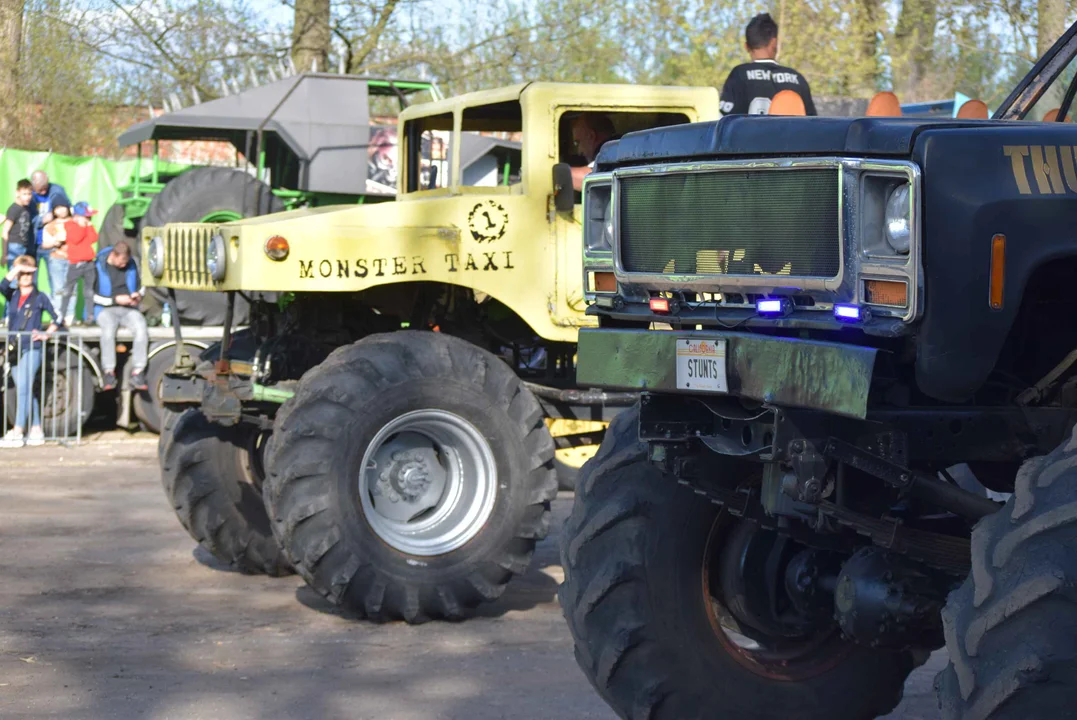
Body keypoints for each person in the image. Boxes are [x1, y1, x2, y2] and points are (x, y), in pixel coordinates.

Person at [0, 255, 60, 448]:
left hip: (32, 347)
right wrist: (17, 268)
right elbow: (2, 286)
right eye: (22, 274)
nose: (26, 277)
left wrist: (46, 334)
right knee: (23, 389)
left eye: (29, 274)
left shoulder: (40, 297)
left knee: (25, 387)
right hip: (14, 348)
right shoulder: (14, 294)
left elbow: (57, 317)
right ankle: (36, 428)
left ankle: (18, 430)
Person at [719, 13, 817, 117]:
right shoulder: (797, 79)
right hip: (790, 133)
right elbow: (812, 124)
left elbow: (724, 120)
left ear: (746, 46)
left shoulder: (739, 74)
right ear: (774, 43)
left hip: (752, 134)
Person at [93, 241, 148, 391]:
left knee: (141, 326)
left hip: (129, 308)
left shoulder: (132, 264)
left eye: (126, 262)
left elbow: (142, 285)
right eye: (122, 262)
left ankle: (138, 371)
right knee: (108, 330)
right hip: (105, 309)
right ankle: (109, 372)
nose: (124, 265)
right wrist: (114, 300)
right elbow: (92, 295)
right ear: (113, 256)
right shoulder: (98, 266)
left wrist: (138, 295)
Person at [29, 171, 71, 313]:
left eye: (45, 186)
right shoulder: (29, 196)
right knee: (30, 282)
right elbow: (25, 219)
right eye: (40, 188)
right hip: (34, 244)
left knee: (57, 283)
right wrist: (41, 220)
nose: (44, 190)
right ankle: (31, 315)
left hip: (53, 246)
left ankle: (59, 314)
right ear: (33, 186)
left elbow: (67, 211)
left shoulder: (57, 190)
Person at [59, 202, 99, 325]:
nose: (89, 219)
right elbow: (75, 239)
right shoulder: (69, 225)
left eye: (90, 217)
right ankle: (61, 316)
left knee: (89, 291)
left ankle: (90, 317)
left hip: (89, 263)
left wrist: (89, 225)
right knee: (68, 291)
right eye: (86, 217)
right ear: (76, 216)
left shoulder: (87, 226)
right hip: (75, 264)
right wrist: (82, 226)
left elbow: (94, 238)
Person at [570, 113, 616, 191]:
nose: (579, 151)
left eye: (578, 142)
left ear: (591, 136)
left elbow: (591, 178)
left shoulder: (612, 152)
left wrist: (553, 173)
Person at [39, 203, 71, 315]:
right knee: (58, 288)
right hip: (56, 259)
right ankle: (58, 315)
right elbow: (44, 244)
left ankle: (70, 315)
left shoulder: (74, 223)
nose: (62, 210)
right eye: (58, 208)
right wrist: (54, 242)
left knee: (72, 289)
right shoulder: (50, 225)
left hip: (72, 259)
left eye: (63, 207)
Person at [3, 179, 35, 269]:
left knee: (21, 275)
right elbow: (5, 231)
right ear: (17, 193)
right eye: (24, 194)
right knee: (14, 277)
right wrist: (5, 254)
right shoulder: (14, 209)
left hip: (24, 246)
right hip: (14, 247)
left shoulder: (26, 208)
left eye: (29, 194)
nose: (27, 197)